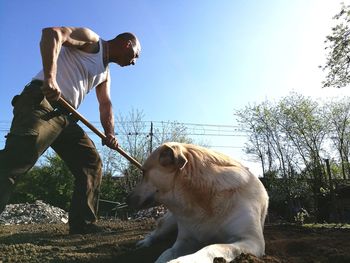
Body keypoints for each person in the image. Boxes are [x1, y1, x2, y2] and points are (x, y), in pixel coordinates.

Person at [0, 27, 141, 234]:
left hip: (65, 116)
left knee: (91, 162)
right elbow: (52, 34)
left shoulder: (105, 74)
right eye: (135, 55)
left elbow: (105, 104)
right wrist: (50, 77)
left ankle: (83, 224)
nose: (134, 62)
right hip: (42, 102)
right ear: (127, 44)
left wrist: (110, 133)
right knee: (19, 157)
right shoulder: (92, 41)